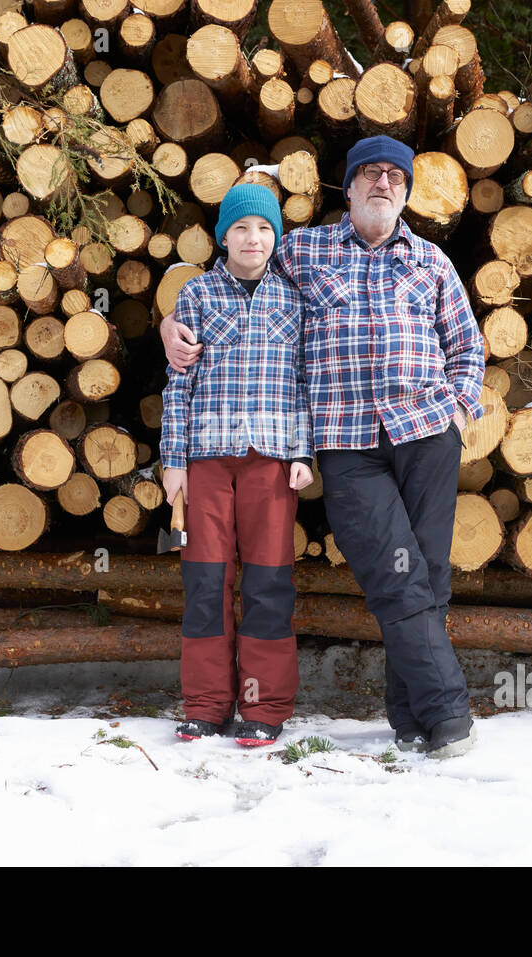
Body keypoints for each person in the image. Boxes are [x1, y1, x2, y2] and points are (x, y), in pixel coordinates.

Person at [162, 136, 486, 759]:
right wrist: (167, 327)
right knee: (396, 576)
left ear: (408, 190)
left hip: (425, 433)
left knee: (430, 575)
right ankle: (448, 714)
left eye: (396, 175)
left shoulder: (432, 262)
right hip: (347, 444)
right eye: (370, 173)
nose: (382, 184)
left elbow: (468, 349)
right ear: (349, 186)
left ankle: (409, 717)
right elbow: (232, 281)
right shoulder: (303, 251)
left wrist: (457, 410)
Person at [159, 183, 314, 747]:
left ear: (277, 237)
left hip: (271, 462)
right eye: (242, 228)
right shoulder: (198, 297)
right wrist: (173, 460)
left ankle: (262, 705)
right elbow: (179, 382)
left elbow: (304, 384)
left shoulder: (294, 299)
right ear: (224, 235)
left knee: (268, 583)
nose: (254, 239)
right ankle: (205, 704)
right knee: (206, 582)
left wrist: (303, 451)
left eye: (265, 229)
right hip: (205, 460)